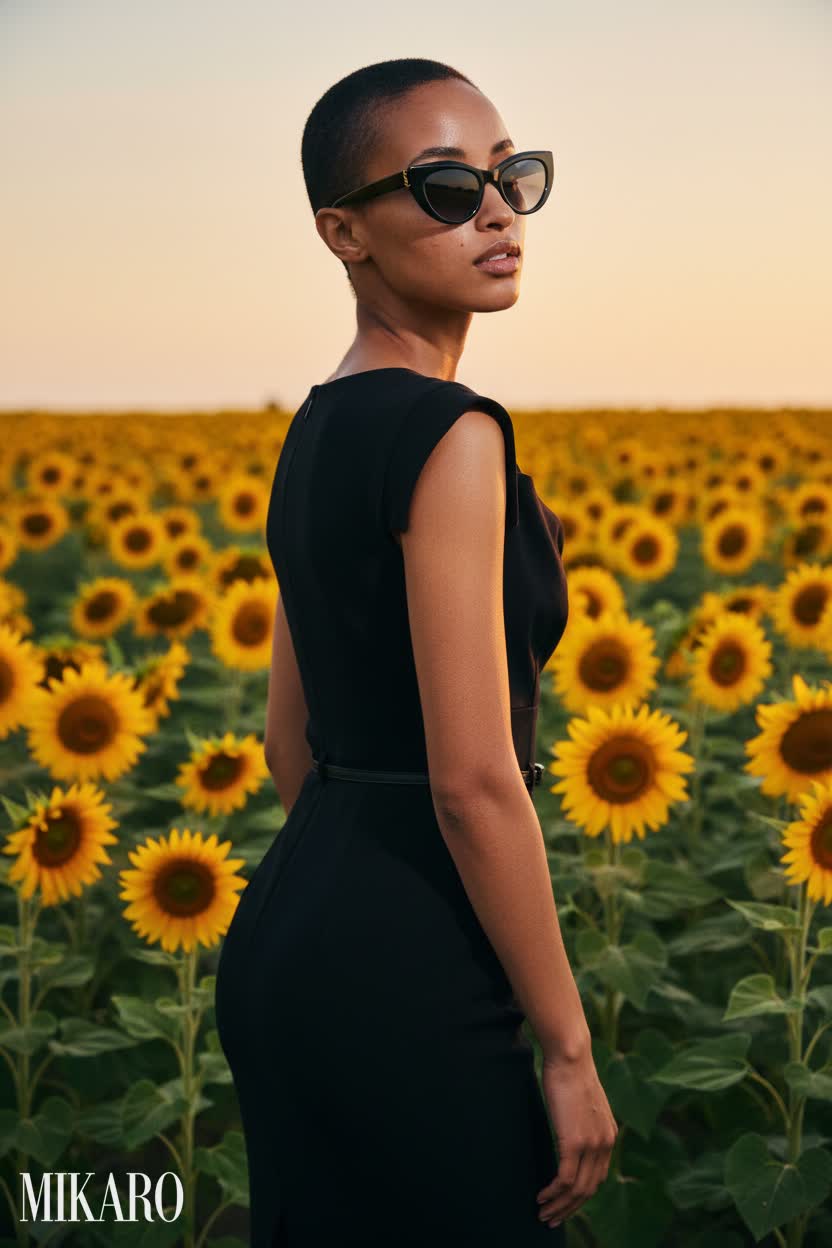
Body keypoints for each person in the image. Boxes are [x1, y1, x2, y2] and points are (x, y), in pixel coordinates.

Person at [214, 56, 617, 1247]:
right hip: (413, 970)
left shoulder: (320, 420)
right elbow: (475, 781)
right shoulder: (451, 437)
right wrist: (569, 1046)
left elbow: (292, 744)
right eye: (444, 187)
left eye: (511, 177)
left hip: (298, 937)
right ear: (343, 231)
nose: (495, 212)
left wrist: (351, 894)